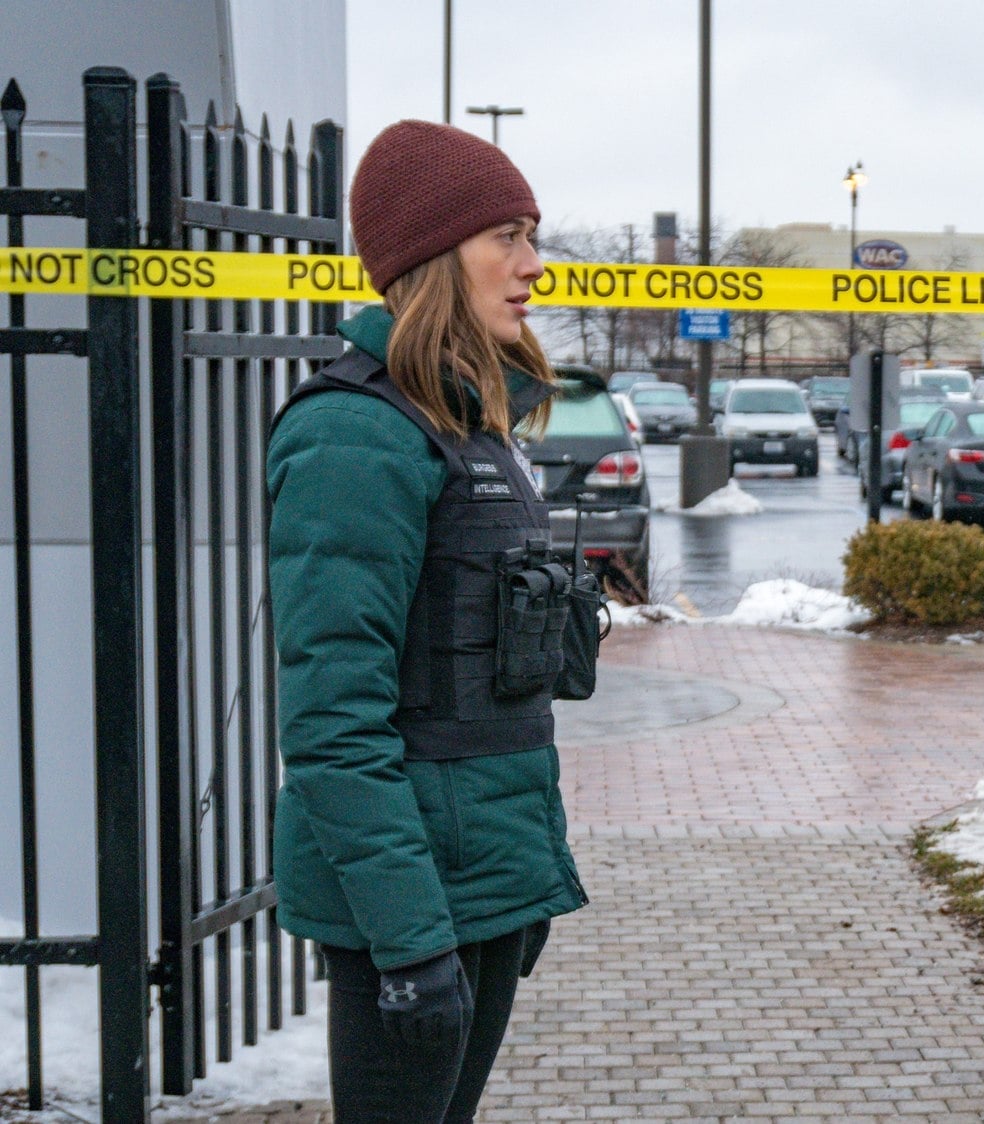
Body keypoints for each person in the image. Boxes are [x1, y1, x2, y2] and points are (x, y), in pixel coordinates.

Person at [267, 120, 588, 1124]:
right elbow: (332, 722)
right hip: (409, 900)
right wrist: (408, 940)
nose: (533, 265)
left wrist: (524, 874)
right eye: (506, 237)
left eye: (532, 235)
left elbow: (494, 682)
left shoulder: (470, 422)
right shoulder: (354, 432)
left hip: (481, 876)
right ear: (434, 256)